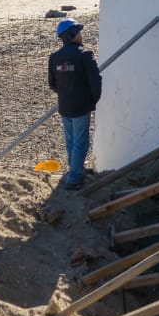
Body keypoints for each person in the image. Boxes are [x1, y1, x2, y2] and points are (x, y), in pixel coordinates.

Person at [47, 17, 101, 190]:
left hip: (65, 106)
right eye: (78, 32)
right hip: (81, 106)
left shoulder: (54, 58)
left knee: (71, 141)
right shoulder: (85, 55)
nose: (81, 35)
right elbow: (96, 82)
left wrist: (65, 94)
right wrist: (92, 101)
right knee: (81, 142)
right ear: (71, 35)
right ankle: (75, 177)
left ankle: (74, 170)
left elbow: (52, 84)